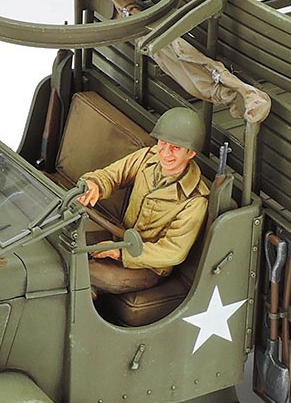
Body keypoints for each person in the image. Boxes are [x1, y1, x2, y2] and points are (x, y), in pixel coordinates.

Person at [77, 106, 209, 296]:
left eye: (176, 148)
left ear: (190, 154)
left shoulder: (195, 200)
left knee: (80, 272)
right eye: (163, 143)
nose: (165, 153)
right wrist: (95, 184)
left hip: (148, 267)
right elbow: (113, 175)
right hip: (119, 236)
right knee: (66, 245)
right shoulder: (148, 157)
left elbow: (173, 251)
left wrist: (121, 253)